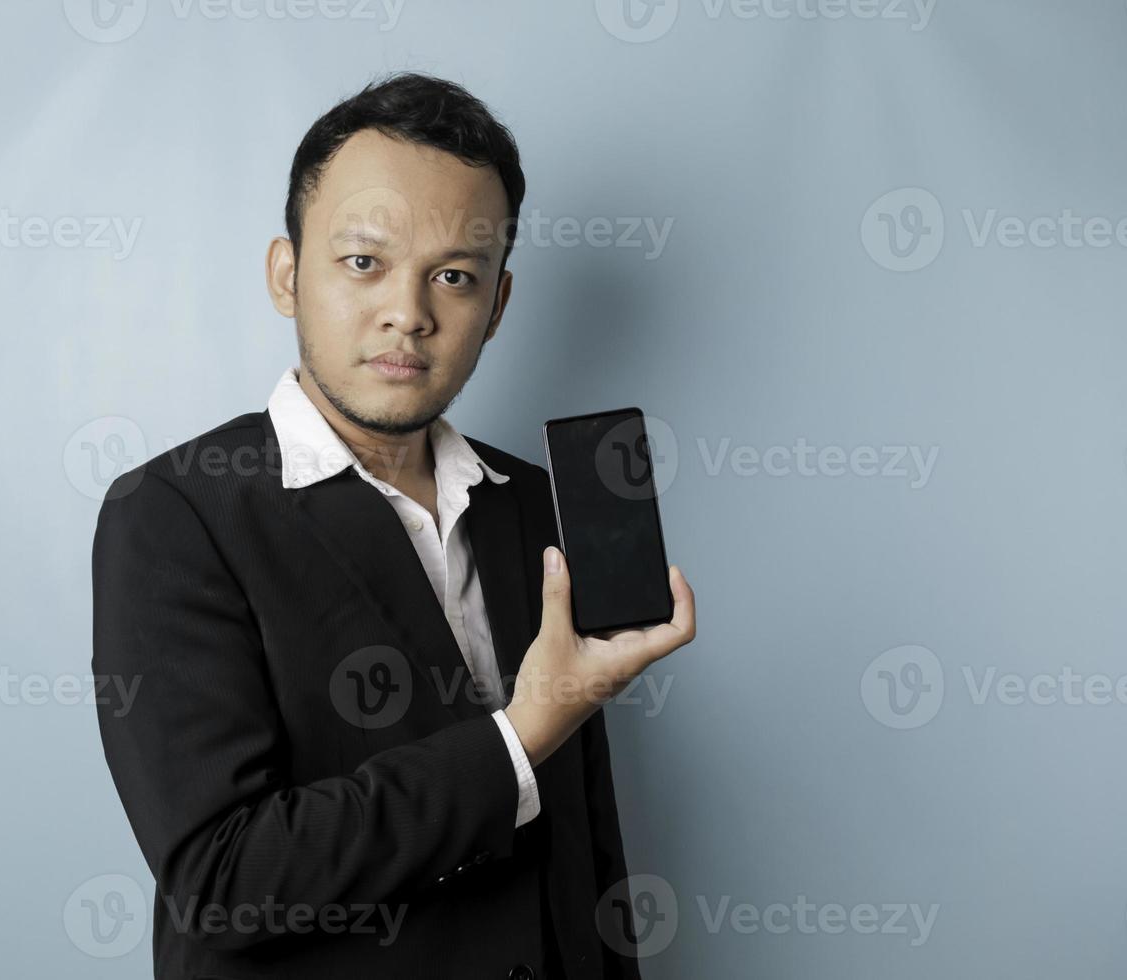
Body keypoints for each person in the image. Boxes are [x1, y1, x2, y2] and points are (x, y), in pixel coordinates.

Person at [91, 70, 696, 979]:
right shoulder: (175, 515)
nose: (408, 313)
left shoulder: (536, 502)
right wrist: (523, 733)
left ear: (496, 307)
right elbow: (224, 882)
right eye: (363, 261)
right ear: (287, 275)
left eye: (453, 276)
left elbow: (585, 847)